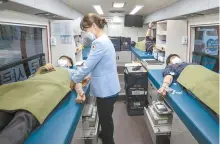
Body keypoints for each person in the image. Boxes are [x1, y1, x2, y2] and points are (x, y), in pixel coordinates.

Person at [70, 13, 120, 144]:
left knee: (106, 119)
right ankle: (105, 134)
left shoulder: (98, 43)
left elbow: (87, 66)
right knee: (107, 117)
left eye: (86, 30)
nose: (86, 33)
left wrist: (74, 79)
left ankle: (109, 141)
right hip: (111, 87)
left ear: (93, 26)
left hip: (106, 91)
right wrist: (90, 77)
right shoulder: (105, 39)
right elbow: (104, 65)